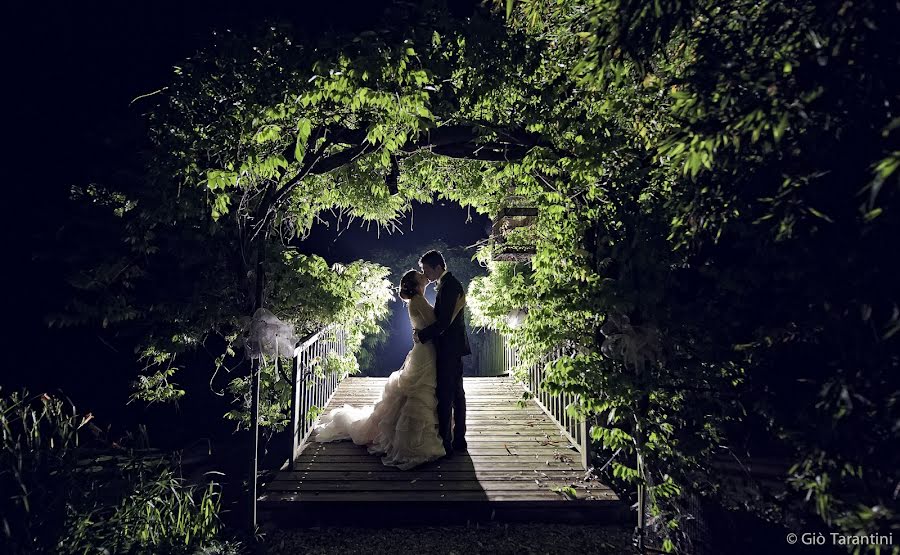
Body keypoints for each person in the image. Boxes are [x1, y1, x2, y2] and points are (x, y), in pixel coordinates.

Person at [312, 269, 463, 469]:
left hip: (425, 351)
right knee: (419, 394)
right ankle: (416, 442)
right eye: (420, 274)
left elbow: (431, 324)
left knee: (422, 393)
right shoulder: (418, 301)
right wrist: (457, 308)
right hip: (425, 353)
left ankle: (435, 435)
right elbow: (438, 324)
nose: (423, 275)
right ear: (416, 283)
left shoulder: (418, 300)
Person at [414, 249, 471, 455]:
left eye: (426, 269)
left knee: (448, 394)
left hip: (449, 347)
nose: (425, 274)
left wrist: (422, 335)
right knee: (456, 393)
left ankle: (447, 442)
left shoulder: (449, 286)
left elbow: (444, 322)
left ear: (438, 267)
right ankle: (458, 439)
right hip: (452, 346)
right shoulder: (448, 284)